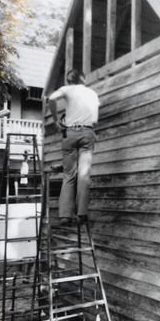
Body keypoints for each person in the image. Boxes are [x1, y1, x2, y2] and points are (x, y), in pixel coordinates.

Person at [47, 69, 99, 225]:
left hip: (69, 133)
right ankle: (81, 214)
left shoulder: (66, 89)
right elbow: (95, 119)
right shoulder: (92, 93)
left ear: (69, 80)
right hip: (87, 132)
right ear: (83, 79)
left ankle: (65, 215)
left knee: (69, 175)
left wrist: (56, 120)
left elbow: (51, 98)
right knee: (84, 175)